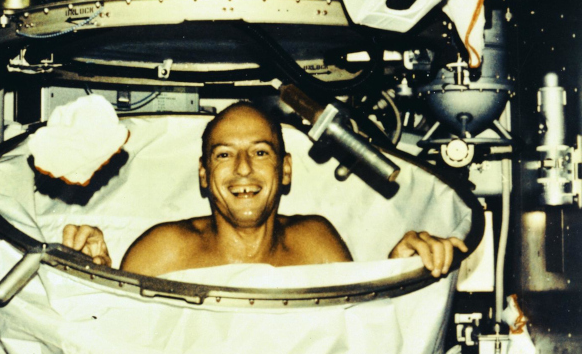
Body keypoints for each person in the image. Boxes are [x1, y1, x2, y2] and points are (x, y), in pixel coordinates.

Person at [62, 102, 467, 277]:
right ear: (204, 175)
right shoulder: (162, 252)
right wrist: (92, 278)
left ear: (285, 170)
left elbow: (356, 340)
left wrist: (397, 267)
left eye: (260, 151)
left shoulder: (316, 244)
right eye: (223, 155)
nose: (242, 169)